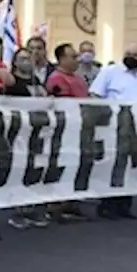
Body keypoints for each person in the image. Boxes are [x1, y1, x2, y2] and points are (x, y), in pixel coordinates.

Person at [89, 42, 137, 220]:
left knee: (132, 165)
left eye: (135, 55)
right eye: (128, 53)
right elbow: (95, 95)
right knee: (113, 165)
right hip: (113, 127)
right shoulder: (110, 72)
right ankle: (107, 205)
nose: (131, 57)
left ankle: (125, 204)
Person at [44, 43, 91, 223]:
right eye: (73, 56)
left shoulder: (79, 79)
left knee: (78, 164)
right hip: (65, 129)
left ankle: (71, 203)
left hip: (81, 127)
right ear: (62, 59)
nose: (77, 59)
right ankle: (57, 205)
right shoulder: (57, 78)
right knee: (63, 164)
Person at [6, 47, 50, 229]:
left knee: (35, 169)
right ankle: (18, 211)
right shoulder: (13, 83)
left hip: (37, 131)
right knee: (20, 170)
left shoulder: (36, 81)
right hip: (19, 132)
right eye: (22, 58)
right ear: (15, 62)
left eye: (29, 58)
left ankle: (33, 208)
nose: (27, 61)